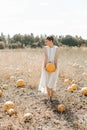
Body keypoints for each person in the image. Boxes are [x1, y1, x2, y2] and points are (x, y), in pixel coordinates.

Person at [38, 36, 59, 102]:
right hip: (47, 65)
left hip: (53, 66)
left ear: (51, 41)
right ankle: (48, 97)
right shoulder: (45, 48)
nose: (45, 42)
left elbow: (56, 58)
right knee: (47, 81)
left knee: (52, 81)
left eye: (47, 41)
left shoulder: (56, 48)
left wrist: (55, 66)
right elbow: (46, 57)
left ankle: (51, 96)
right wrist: (44, 66)